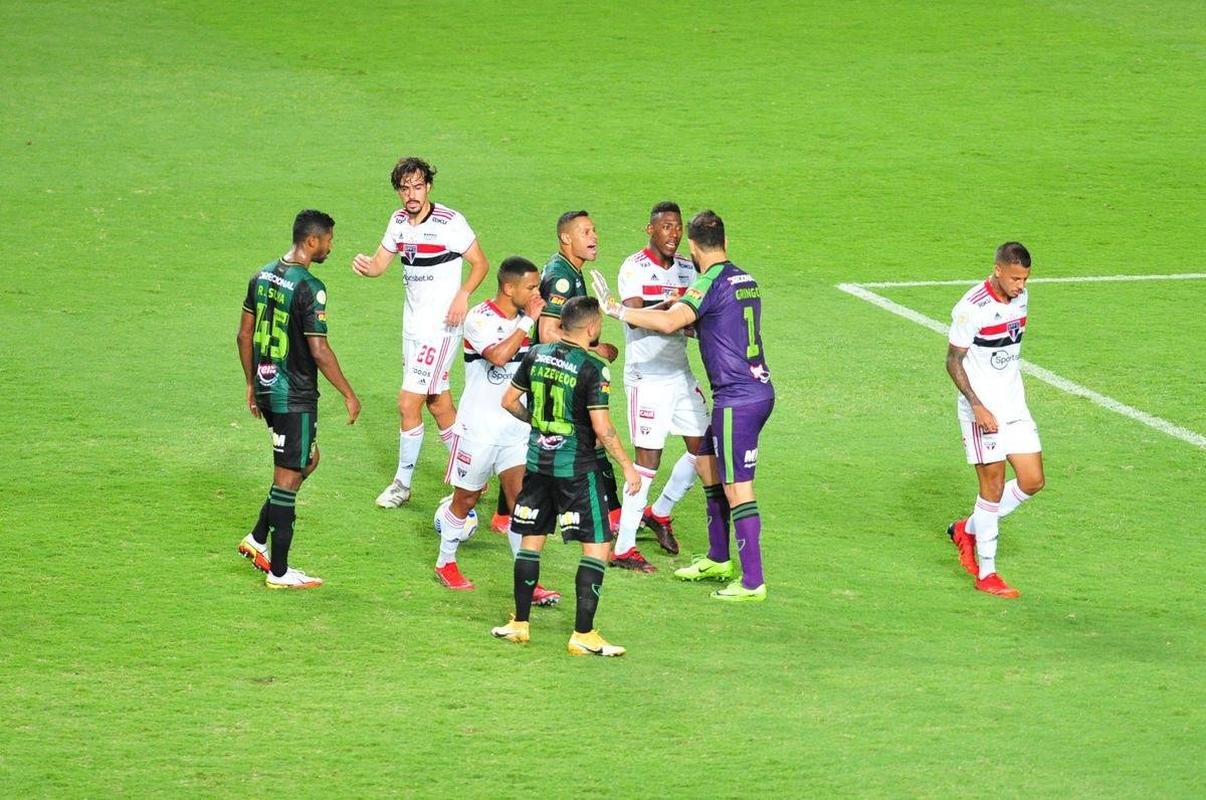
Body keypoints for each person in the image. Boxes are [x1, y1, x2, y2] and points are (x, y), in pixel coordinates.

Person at [590, 210, 774, 602]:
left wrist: (615, 310)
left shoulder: (707, 281)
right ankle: (718, 557)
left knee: (738, 489)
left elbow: (674, 323)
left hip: (737, 398)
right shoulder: (745, 279)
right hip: (754, 389)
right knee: (706, 464)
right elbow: (711, 324)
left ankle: (752, 581)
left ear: (692, 244)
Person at [491, 296, 640, 656]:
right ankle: (583, 634)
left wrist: (539, 425)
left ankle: (520, 624)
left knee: (531, 540)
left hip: (538, 464)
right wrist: (626, 465)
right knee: (598, 545)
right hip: (576, 468)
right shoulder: (593, 368)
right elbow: (602, 428)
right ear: (591, 327)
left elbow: (508, 401)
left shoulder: (536, 354)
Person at [351, 157, 489, 508]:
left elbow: (481, 263)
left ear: (428, 187)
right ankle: (471, 470)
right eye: (404, 188)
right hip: (412, 328)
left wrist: (462, 296)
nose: (411, 194)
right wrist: (367, 267)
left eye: (417, 186)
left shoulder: (449, 222)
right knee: (438, 402)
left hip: (441, 328)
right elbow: (381, 264)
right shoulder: (398, 222)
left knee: (407, 401)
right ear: (398, 191)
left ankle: (402, 483)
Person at [236, 210, 361, 589]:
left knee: (308, 459)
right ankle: (279, 572)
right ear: (312, 241)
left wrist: (251, 384)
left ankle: (257, 538)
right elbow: (319, 351)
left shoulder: (261, 275)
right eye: (328, 240)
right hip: (294, 395)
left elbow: (244, 336)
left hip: (267, 386)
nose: (331, 247)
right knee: (288, 477)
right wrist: (349, 394)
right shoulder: (309, 286)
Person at [432, 256, 560, 607]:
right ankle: (446, 562)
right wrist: (529, 321)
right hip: (478, 428)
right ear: (509, 287)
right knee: (467, 499)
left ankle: (527, 581)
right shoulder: (478, 318)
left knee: (521, 503)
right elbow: (500, 357)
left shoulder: (525, 319)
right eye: (531, 287)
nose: (537, 293)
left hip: (515, 428)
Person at [489, 210, 620, 534]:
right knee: (588, 435)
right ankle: (614, 513)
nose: (594, 237)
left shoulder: (570, 271)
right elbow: (547, 332)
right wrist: (594, 350)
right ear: (566, 238)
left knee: (544, 440)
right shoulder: (562, 276)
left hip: (554, 369)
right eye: (586, 232)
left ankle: (504, 515)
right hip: (558, 370)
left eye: (594, 230)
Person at [611, 201, 709, 572]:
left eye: (678, 227)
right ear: (650, 229)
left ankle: (660, 511)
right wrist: (670, 308)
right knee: (647, 461)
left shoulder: (688, 267)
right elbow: (636, 319)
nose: (674, 234)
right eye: (666, 227)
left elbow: (694, 316)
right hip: (646, 376)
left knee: (704, 448)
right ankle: (623, 548)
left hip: (679, 373)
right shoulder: (633, 267)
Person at [944, 242, 1045, 599]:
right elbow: (953, 361)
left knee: (1033, 481)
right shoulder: (971, 308)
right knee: (993, 487)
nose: (1021, 285)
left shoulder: (1021, 298)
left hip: (1014, 407)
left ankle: (968, 528)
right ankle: (986, 572)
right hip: (981, 412)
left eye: (1025, 278)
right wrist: (978, 407)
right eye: (1016, 277)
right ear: (998, 269)